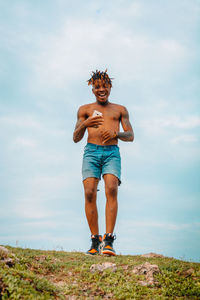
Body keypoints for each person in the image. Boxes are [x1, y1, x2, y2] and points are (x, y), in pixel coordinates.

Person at [73, 70, 134, 256]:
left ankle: (108, 241)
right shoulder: (84, 110)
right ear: (92, 89)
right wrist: (86, 124)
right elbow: (76, 138)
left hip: (111, 153)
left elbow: (130, 135)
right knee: (90, 192)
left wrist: (116, 134)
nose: (101, 89)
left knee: (111, 189)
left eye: (104, 86)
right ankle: (95, 240)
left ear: (110, 87)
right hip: (91, 152)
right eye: (97, 86)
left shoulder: (120, 109)